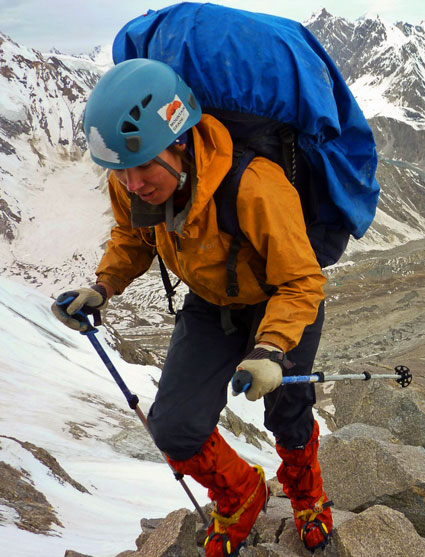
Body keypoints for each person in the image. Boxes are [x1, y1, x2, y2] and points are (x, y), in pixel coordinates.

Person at [50, 59, 332, 555]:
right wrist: (104, 286)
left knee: (287, 414)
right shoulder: (131, 176)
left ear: (179, 141)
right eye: (121, 170)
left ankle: (308, 498)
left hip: (279, 305)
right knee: (174, 427)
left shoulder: (254, 185)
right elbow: (133, 237)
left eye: (141, 165)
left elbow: (302, 280)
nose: (132, 183)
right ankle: (241, 492)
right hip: (211, 304)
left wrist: (269, 348)